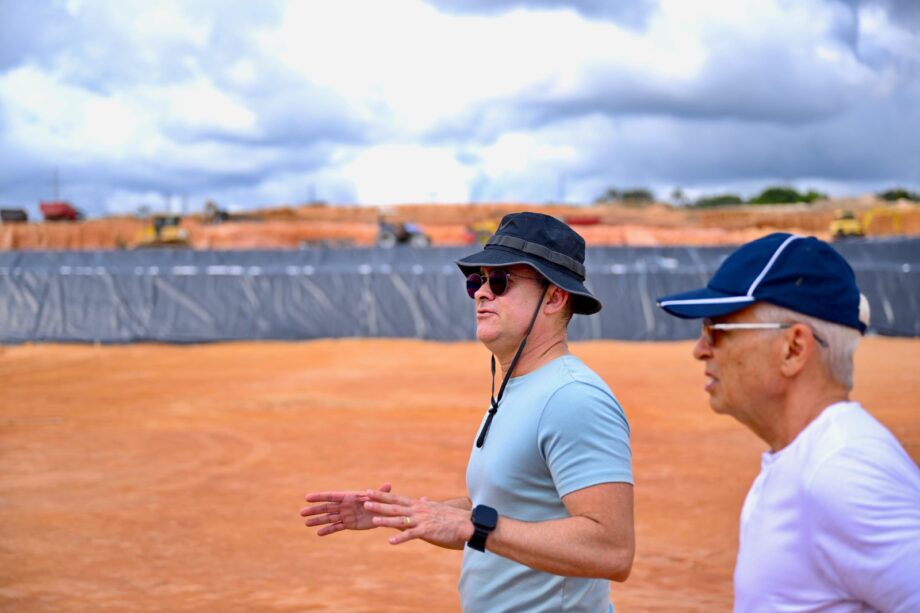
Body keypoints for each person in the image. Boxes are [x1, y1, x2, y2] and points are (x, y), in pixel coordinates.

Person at [302, 212, 634, 612]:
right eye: (477, 281)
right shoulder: (522, 387)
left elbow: (611, 550)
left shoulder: (573, 398)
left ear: (554, 298)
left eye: (501, 281)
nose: (481, 293)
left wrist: (473, 526)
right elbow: (507, 509)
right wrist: (410, 513)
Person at [656, 232, 920, 612]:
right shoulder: (810, 459)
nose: (700, 350)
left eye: (717, 331)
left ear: (793, 349)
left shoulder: (843, 472)